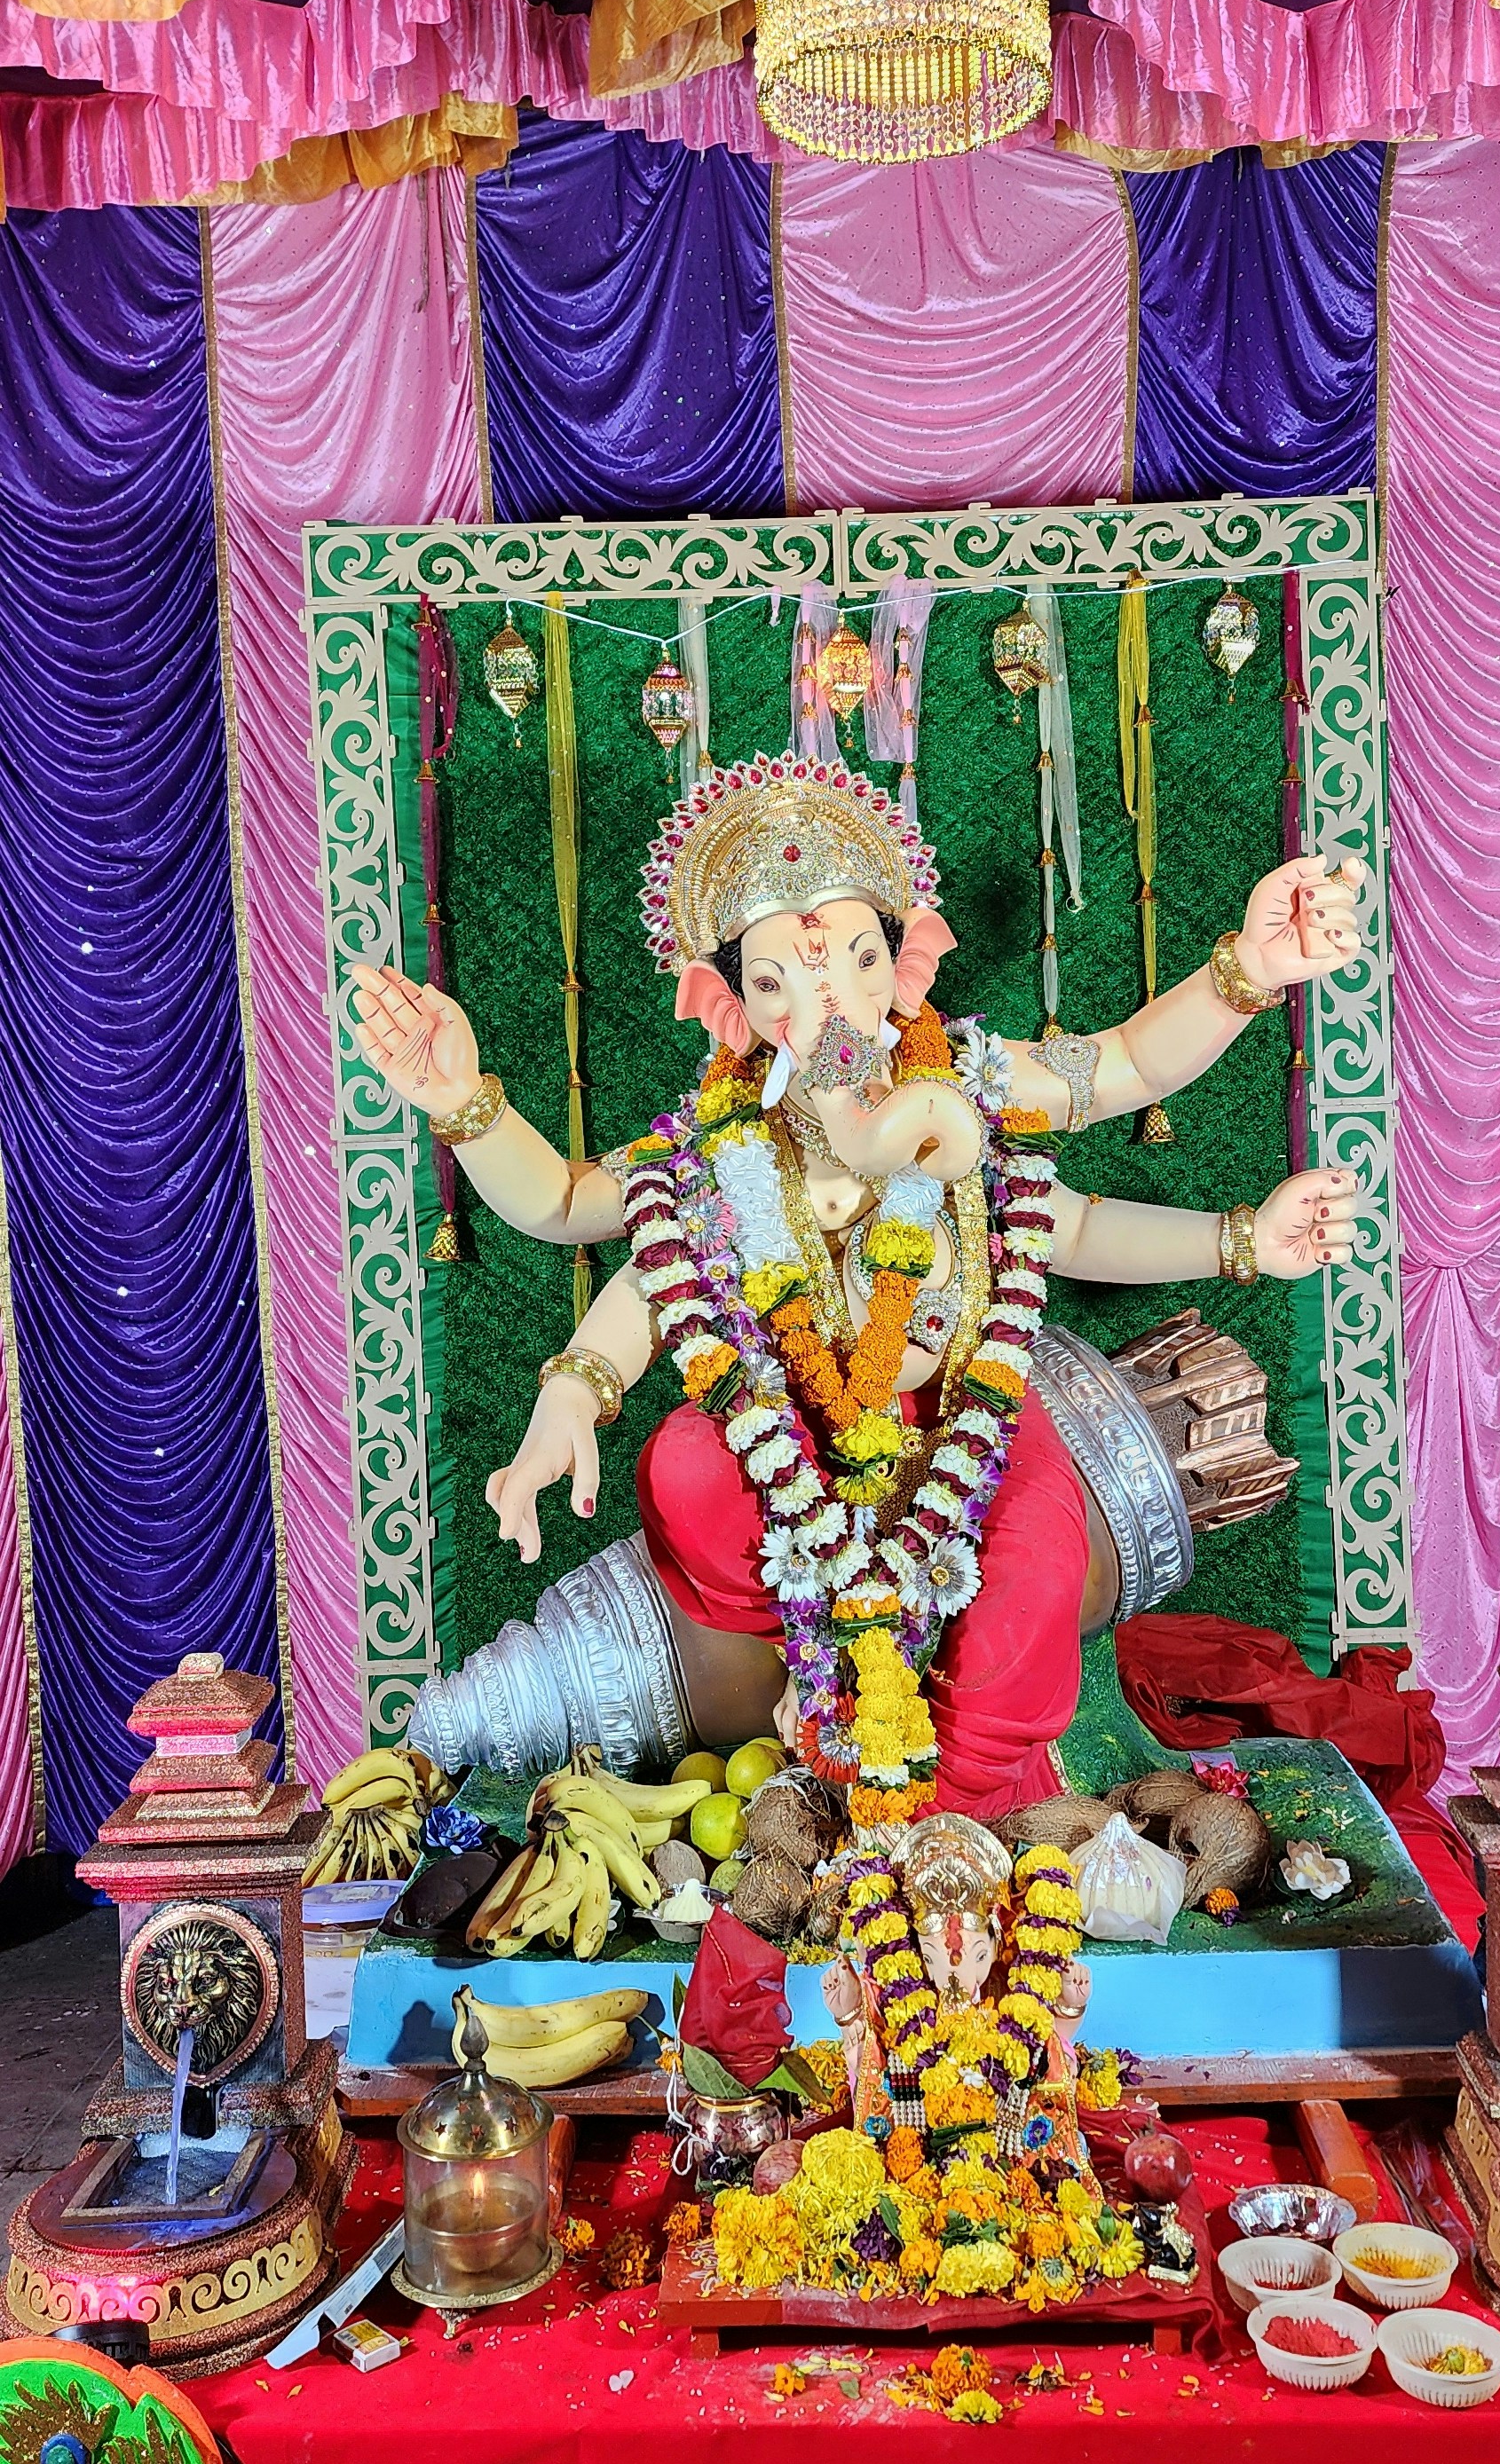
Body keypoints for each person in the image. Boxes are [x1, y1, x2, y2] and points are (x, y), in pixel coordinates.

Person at [352, 753, 1360, 1821]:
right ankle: (820, 1680)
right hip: (799, 1458)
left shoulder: (967, 1081)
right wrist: (465, 1115)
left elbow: (1121, 1085)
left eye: (857, 958)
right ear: (728, 1004)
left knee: (1027, 1581)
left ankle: (951, 1823)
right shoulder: (720, 1149)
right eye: (778, 981)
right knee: (686, 1463)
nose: (828, 1004)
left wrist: (1244, 1034)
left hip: (974, 1428)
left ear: (906, 958)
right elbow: (571, 1205)